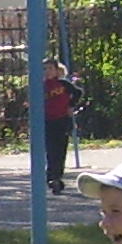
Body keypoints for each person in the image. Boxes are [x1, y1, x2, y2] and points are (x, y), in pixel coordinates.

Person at [39, 60, 84, 193]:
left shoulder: (63, 84)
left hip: (62, 120)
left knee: (60, 149)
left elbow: (78, 92)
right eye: (44, 69)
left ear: (56, 70)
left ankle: (57, 177)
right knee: (50, 149)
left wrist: (70, 105)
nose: (47, 71)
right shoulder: (41, 86)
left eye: (50, 68)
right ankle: (51, 176)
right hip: (47, 121)